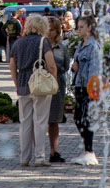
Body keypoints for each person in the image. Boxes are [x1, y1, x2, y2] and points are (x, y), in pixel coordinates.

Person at [9, 14, 59, 167]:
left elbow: (12, 66)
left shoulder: (17, 43)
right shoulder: (43, 42)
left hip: (23, 85)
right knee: (40, 121)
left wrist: (17, 84)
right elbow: (51, 65)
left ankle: (24, 158)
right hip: (39, 85)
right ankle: (39, 157)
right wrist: (54, 80)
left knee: (25, 123)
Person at [70, 15, 102, 166]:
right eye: (78, 26)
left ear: (90, 27)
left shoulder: (93, 46)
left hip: (87, 88)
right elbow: (76, 64)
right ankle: (87, 150)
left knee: (84, 118)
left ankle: (90, 152)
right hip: (79, 85)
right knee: (78, 118)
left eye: (82, 26)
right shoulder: (80, 44)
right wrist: (73, 67)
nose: (79, 29)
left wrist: (92, 91)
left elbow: (94, 70)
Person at [44, 16, 70, 162]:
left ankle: (54, 152)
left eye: (52, 30)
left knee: (54, 120)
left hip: (57, 84)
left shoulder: (62, 48)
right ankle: (40, 151)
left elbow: (66, 66)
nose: (49, 32)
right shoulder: (41, 46)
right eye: (47, 29)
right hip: (42, 84)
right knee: (41, 119)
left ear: (58, 31)